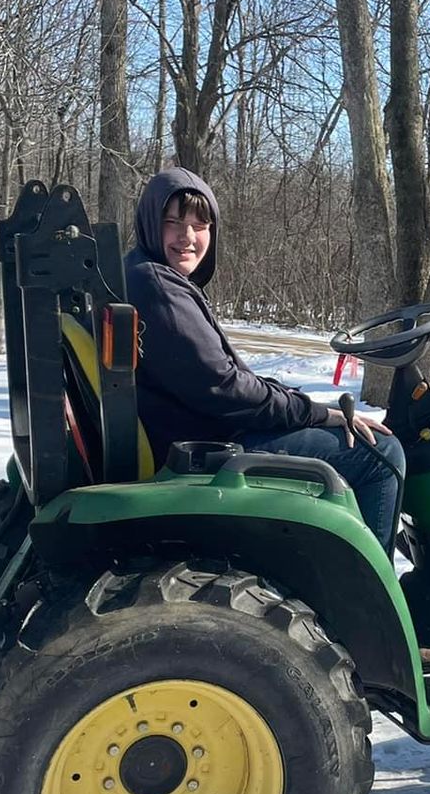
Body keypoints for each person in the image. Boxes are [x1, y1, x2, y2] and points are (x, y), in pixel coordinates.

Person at [123, 167, 406, 549]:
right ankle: (372, 602)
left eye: (199, 224)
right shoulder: (157, 286)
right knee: (382, 454)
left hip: (197, 430)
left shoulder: (147, 276)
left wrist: (298, 402)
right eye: (172, 222)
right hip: (204, 446)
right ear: (149, 221)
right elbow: (225, 388)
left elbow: (219, 379)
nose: (187, 237)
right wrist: (315, 412)